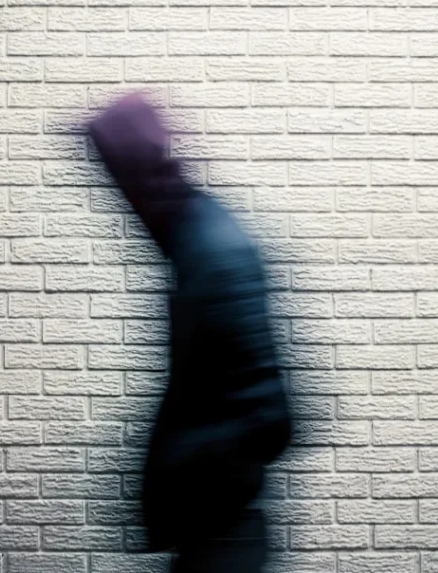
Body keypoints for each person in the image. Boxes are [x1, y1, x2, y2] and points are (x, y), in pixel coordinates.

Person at [88, 93, 292, 573]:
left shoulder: (213, 252)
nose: (117, 197)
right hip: (213, 528)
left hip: (223, 534)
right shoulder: (193, 241)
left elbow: (273, 417)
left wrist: (180, 467)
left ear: (139, 171)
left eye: (118, 178)